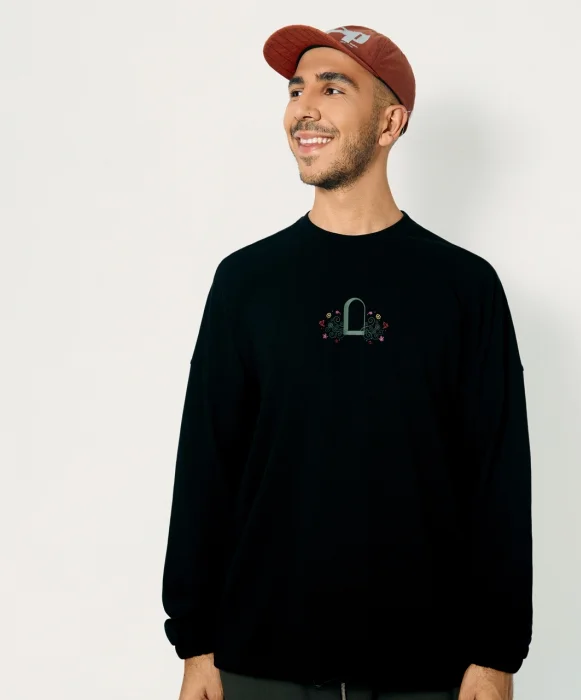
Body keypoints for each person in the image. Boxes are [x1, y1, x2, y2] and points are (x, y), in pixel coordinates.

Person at [161, 23, 532, 700]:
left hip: (427, 669)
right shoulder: (246, 282)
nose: (303, 108)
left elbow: (497, 478)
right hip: (259, 662)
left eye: (333, 89)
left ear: (390, 122)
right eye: (296, 90)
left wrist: (495, 654)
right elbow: (207, 466)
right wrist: (195, 643)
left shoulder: (464, 288)